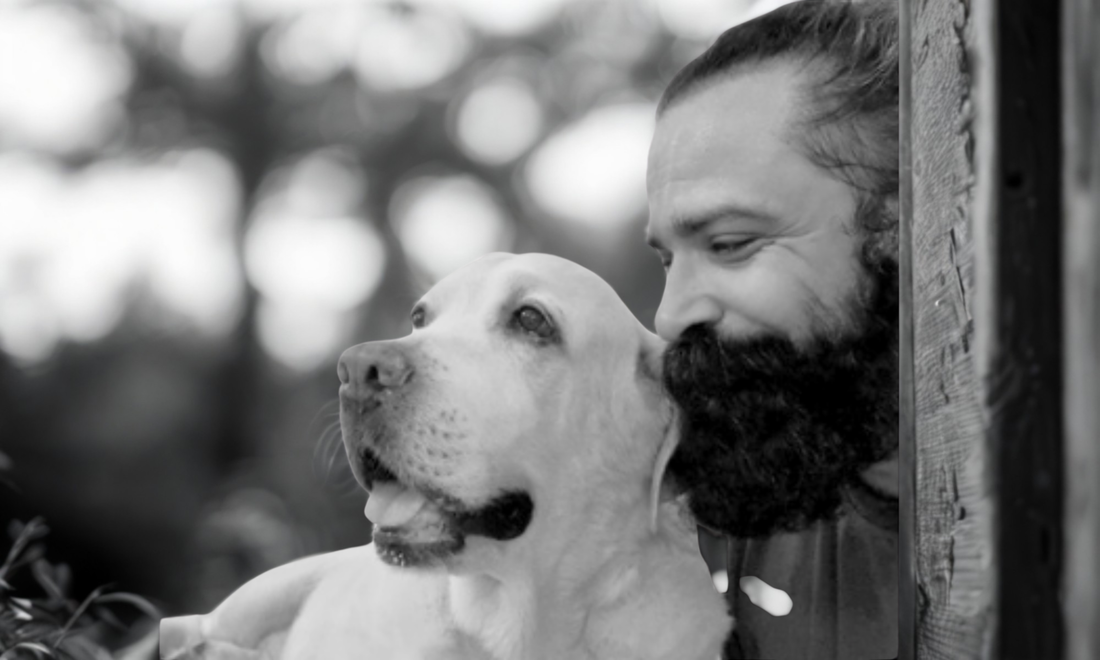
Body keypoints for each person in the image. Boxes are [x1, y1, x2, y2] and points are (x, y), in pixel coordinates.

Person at [644, 1, 898, 658]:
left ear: (905, 223)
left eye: (729, 244)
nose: (669, 316)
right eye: (668, 259)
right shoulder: (712, 518)